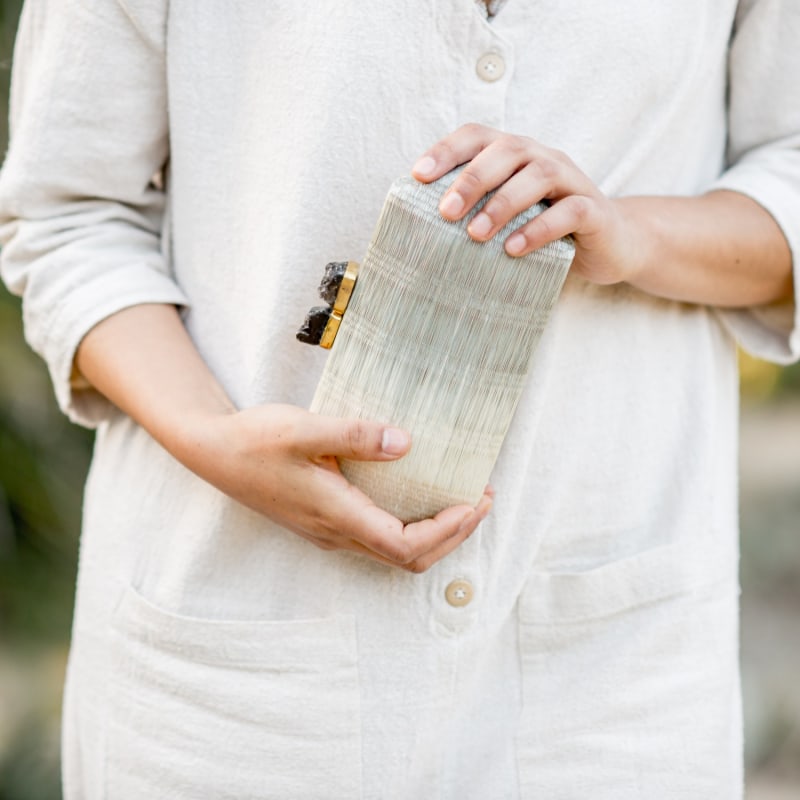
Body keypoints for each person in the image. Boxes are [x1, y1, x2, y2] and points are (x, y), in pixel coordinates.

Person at [0, 1, 798, 797]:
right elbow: (66, 215)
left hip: (614, 688)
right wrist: (215, 437)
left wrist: (635, 234)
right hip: (236, 687)